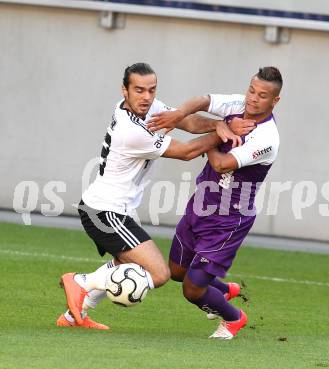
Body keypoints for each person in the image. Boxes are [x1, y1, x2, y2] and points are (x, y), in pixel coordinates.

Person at [56, 62, 247, 330]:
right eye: (139, 90)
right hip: (106, 212)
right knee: (158, 274)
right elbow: (187, 152)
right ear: (124, 90)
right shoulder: (131, 131)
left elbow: (189, 122)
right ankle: (81, 282)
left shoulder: (146, 108)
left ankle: (73, 317)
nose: (146, 97)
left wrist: (219, 124)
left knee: (124, 263)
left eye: (151, 90)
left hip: (111, 209)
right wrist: (224, 132)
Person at [147, 66, 282, 339]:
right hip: (201, 205)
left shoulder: (267, 138)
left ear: (275, 101)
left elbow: (221, 165)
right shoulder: (237, 105)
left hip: (228, 219)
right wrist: (180, 114)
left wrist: (217, 133)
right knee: (176, 272)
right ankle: (225, 290)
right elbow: (203, 101)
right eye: (252, 91)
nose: (253, 99)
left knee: (192, 290)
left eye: (263, 95)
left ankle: (234, 318)